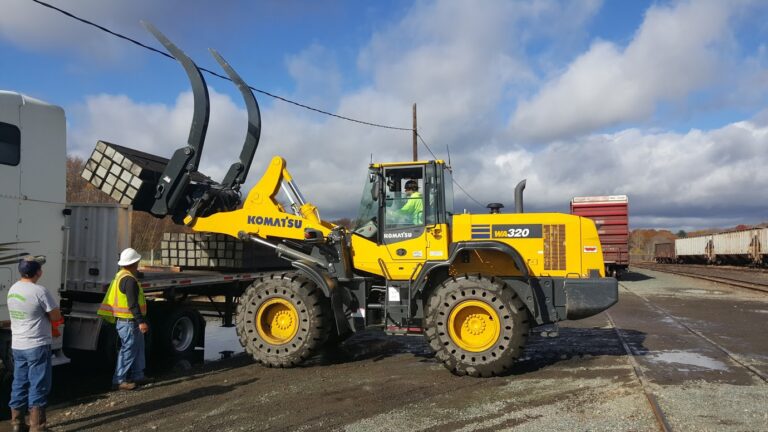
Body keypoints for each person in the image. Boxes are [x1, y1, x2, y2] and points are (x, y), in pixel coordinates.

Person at [7, 255, 63, 432]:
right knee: (38, 384)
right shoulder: (39, 291)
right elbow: (56, 316)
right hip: (37, 344)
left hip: (18, 344)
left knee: (19, 382)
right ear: (38, 271)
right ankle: (37, 426)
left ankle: (17, 422)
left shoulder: (13, 289)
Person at [97, 248, 149, 391]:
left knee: (137, 348)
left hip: (126, 321)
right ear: (135, 262)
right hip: (129, 322)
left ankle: (138, 375)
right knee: (128, 350)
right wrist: (141, 321)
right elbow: (132, 304)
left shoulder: (120, 275)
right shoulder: (130, 281)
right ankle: (119, 380)